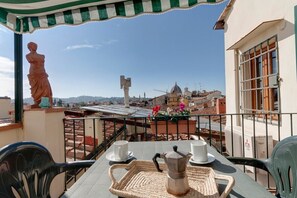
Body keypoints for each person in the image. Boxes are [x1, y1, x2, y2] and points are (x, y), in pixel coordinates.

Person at [26, 42, 53, 108]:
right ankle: (37, 102)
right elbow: (31, 61)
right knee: (35, 89)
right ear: (29, 47)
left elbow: (42, 65)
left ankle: (45, 103)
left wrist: (44, 72)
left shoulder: (42, 56)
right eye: (33, 45)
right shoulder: (28, 55)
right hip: (34, 74)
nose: (35, 46)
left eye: (36, 45)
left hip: (42, 73)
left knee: (45, 87)